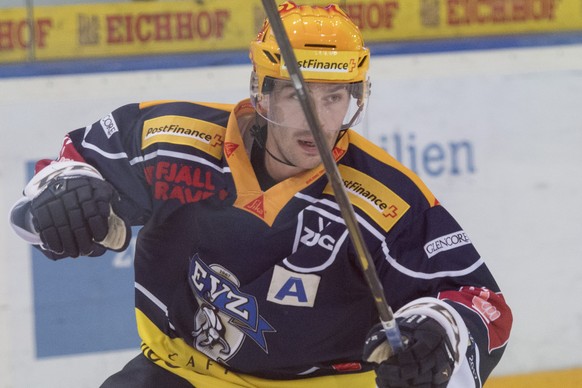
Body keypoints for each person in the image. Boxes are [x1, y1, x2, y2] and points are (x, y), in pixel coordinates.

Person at [9, 2, 512, 387]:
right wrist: (64, 193)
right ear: (262, 91)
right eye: (299, 95)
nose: (317, 119)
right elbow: (71, 167)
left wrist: (441, 332)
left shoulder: (385, 201)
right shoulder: (170, 141)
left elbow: (482, 303)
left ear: (356, 99)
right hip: (184, 371)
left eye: (334, 97)